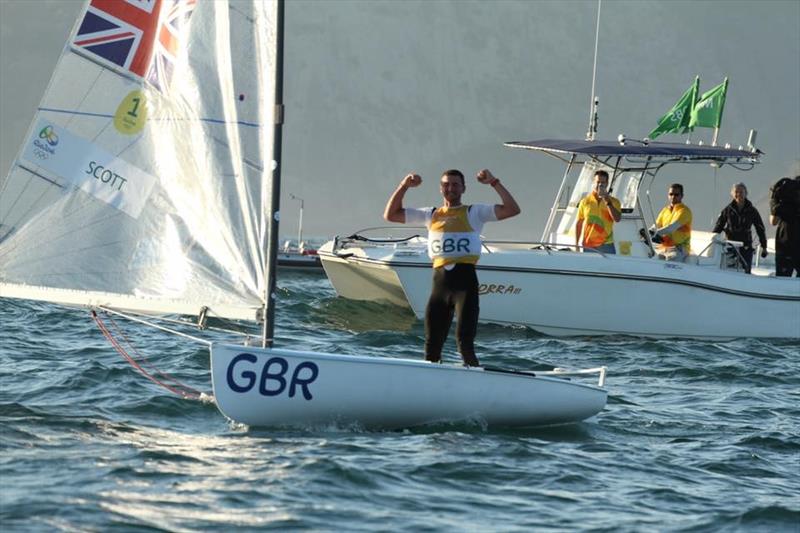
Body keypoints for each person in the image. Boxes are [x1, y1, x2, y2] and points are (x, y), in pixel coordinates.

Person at [383, 168, 520, 366]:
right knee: (431, 346)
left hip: (465, 285)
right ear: (441, 189)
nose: (451, 188)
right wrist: (404, 186)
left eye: (455, 184)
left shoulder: (475, 213)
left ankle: (476, 382)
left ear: (463, 188)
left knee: (465, 344)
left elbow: (512, 209)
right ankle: (431, 385)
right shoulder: (430, 215)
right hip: (439, 287)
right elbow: (391, 215)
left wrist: (493, 182)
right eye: (446, 184)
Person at [711, 182, 768, 273]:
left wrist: (764, 246)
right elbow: (719, 226)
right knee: (728, 271)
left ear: (746, 193)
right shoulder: (728, 210)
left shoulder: (752, 211)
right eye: (736, 192)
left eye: (741, 192)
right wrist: (712, 241)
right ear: (733, 194)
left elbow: (760, 228)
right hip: (730, 246)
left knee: (745, 271)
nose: (738, 194)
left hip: (745, 246)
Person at [575, 170, 622, 254]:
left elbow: (617, 219)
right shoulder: (585, 201)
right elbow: (579, 223)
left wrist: (606, 199)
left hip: (607, 244)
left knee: (610, 267)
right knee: (589, 267)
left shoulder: (614, 202)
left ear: (607, 183)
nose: (600, 185)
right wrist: (576, 244)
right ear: (594, 182)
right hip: (588, 244)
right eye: (598, 182)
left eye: (603, 183)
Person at [651, 183, 692, 262]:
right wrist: (648, 231)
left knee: (670, 262)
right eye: (671, 194)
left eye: (676, 194)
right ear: (668, 195)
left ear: (682, 196)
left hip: (679, 248)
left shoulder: (684, 211)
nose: (673, 197)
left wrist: (657, 233)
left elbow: (672, 227)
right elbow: (656, 225)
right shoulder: (665, 210)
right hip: (664, 247)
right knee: (651, 258)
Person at [769, 175, 800, 277]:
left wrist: (775, 206)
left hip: (784, 242)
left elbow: (773, 221)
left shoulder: (784, 204)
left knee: (782, 279)